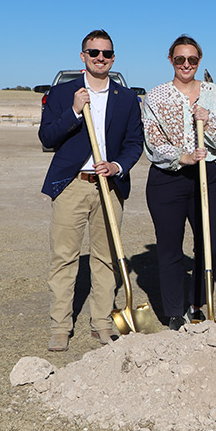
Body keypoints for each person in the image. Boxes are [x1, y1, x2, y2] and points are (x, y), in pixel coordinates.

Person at [39, 29, 144, 352]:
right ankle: (60, 326)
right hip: (72, 184)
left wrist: (117, 166)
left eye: (107, 53)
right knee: (64, 258)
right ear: (82, 55)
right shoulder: (62, 93)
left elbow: (133, 143)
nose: (101, 58)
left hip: (108, 187)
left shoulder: (125, 98)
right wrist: (73, 111)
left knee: (106, 258)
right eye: (94, 52)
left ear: (113, 58)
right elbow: (47, 138)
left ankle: (101, 323)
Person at [142, 35, 216, 330]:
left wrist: (207, 123)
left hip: (205, 177)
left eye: (192, 60)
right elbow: (153, 142)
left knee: (208, 245)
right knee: (169, 247)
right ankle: (174, 311)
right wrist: (183, 157)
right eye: (180, 59)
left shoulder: (214, 94)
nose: (186, 64)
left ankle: (198, 304)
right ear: (171, 60)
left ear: (199, 61)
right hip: (167, 180)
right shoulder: (155, 97)